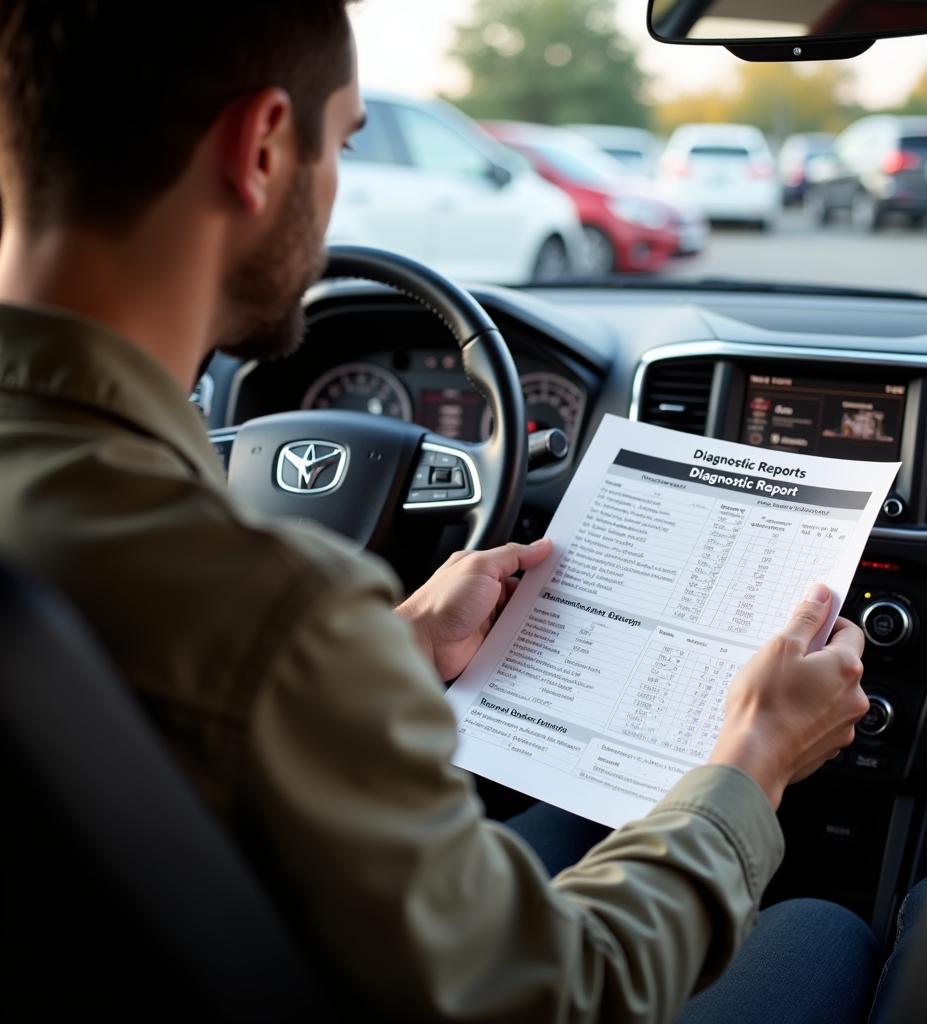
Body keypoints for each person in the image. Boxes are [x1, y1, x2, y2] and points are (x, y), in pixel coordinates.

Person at [0, 2, 876, 1020]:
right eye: (343, 145)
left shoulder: (223, 606)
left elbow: (165, 697)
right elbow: (565, 990)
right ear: (262, 147)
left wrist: (394, 644)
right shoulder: (275, 613)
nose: (335, 193)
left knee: (553, 831)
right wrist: (755, 757)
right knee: (822, 927)